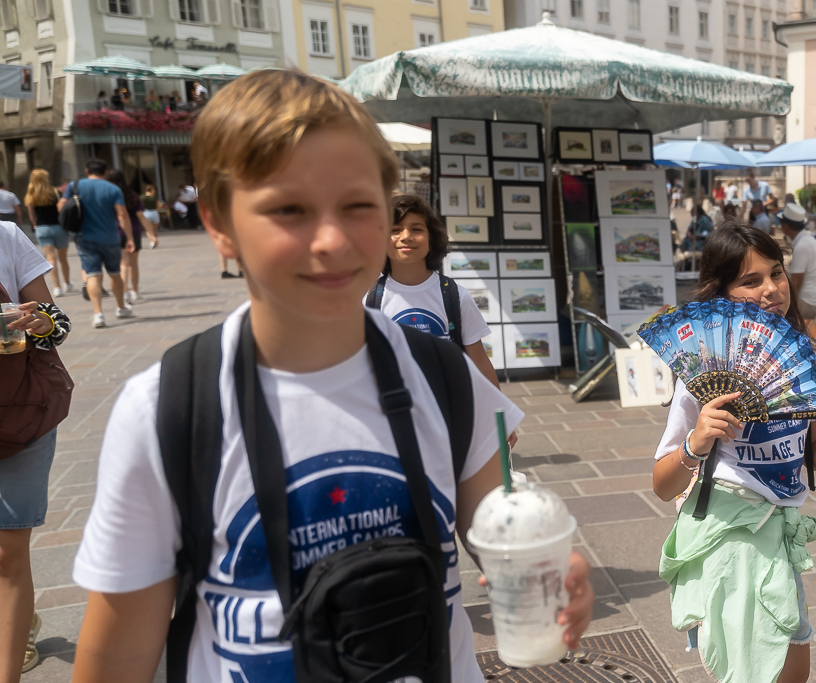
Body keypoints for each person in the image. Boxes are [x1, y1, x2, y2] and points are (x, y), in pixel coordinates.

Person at [70, 69, 594, 683]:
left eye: (358, 206)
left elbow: (494, 529)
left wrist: (551, 571)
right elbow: (117, 653)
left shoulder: (442, 374)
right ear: (218, 222)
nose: (331, 239)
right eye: (288, 209)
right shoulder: (169, 408)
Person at [652, 222, 816, 683]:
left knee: (793, 672)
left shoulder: (801, 355)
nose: (772, 289)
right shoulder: (704, 371)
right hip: (731, 538)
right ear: (722, 292)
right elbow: (662, 485)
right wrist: (696, 444)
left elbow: (811, 453)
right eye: (750, 281)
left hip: (780, 536)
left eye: (776, 273)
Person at [365, 193, 516, 445]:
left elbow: (478, 360)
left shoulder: (455, 296)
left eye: (416, 229)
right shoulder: (369, 298)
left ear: (431, 238)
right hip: (393, 416)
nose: (406, 237)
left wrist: (501, 417)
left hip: (449, 412)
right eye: (394, 229)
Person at [0, 220, 72, 679]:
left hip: (18, 413)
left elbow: (56, 323)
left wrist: (40, 320)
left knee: (7, 552)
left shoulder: (5, 236)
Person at [57, 159, 135, 328]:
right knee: (114, 273)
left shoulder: (75, 185)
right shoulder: (113, 189)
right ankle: (121, 307)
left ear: (86, 171)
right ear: (105, 172)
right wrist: (129, 237)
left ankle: (98, 314)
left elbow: (61, 206)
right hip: (110, 238)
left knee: (92, 274)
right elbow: (122, 215)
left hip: (84, 237)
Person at [779, 203, 816, 346]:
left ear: (786, 226)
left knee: (769, 307)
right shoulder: (807, 241)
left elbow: (795, 284)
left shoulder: (802, 246)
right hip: (814, 301)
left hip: (809, 304)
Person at [106, 170, 153, 302]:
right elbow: (140, 215)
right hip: (134, 230)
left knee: (123, 264)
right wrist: (151, 233)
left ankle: (124, 291)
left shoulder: (108, 195)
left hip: (114, 231)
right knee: (133, 264)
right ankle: (135, 291)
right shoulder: (132, 195)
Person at [24, 169, 72, 297]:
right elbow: (62, 209)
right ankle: (67, 283)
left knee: (51, 258)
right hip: (58, 227)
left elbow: (32, 216)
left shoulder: (31, 195)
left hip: (42, 228)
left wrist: (35, 224)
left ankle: (57, 287)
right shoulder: (56, 192)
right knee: (63, 258)